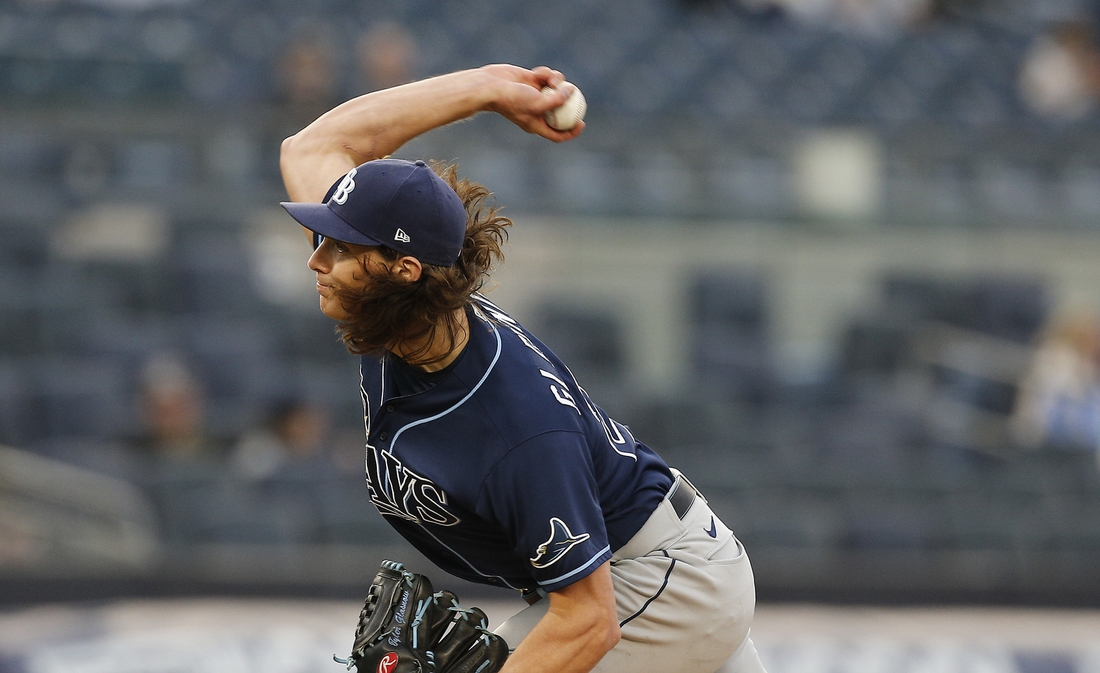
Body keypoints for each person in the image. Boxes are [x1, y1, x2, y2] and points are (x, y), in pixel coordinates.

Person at [278, 64, 766, 673]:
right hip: (638, 575)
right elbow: (314, 145)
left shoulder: (517, 424)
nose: (316, 259)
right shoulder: (393, 304)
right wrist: (485, 89)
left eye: (338, 246)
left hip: (657, 586)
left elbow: (589, 620)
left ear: (401, 268)